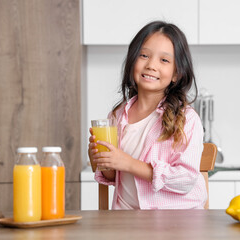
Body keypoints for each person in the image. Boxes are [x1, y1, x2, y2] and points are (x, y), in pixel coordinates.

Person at [88, 21, 206, 209]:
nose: (151, 65)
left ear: (176, 74)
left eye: (164, 60)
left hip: (174, 223)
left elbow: (186, 179)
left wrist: (130, 164)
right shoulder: (117, 116)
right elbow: (113, 175)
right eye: (144, 55)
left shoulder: (186, 119)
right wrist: (103, 160)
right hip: (126, 221)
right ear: (132, 60)